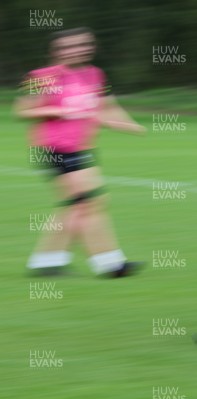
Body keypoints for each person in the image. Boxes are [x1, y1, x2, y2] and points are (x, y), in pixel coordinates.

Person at [14, 27, 145, 277]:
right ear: (57, 51)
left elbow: (107, 106)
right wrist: (55, 111)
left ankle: (46, 262)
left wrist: (126, 123)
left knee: (81, 205)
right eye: (70, 46)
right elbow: (22, 111)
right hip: (55, 148)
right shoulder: (40, 76)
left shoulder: (95, 75)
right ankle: (109, 264)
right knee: (85, 203)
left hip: (82, 148)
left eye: (83, 44)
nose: (78, 50)